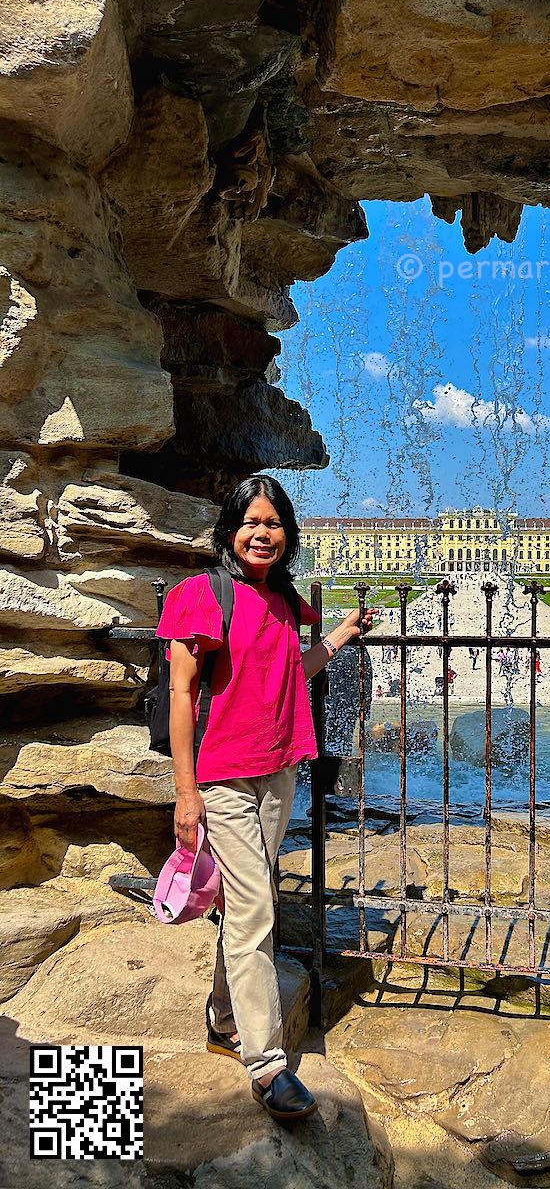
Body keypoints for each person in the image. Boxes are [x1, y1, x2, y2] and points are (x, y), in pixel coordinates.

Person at [157, 475, 375, 1123]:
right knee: (255, 913)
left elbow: (292, 672)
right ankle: (267, 1067)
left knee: (246, 904)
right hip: (222, 781)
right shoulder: (201, 596)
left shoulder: (282, 600)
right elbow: (181, 695)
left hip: (278, 774)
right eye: (251, 521)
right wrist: (186, 793)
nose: (262, 532)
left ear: (287, 535)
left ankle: (224, 1018)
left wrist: (336, 636)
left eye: (274, 523)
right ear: (230, 531)